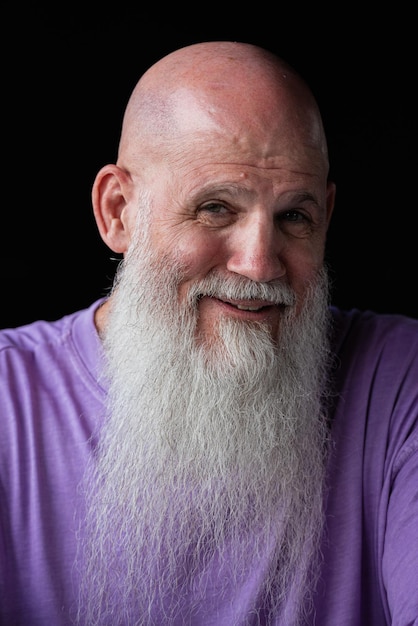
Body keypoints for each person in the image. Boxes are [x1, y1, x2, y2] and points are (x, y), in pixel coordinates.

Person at [0, 40, 417, 626]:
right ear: (118, 211)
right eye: (216, 208)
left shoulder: (400, 382)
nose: (259, 264)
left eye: (294, 217)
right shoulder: (6, 401)